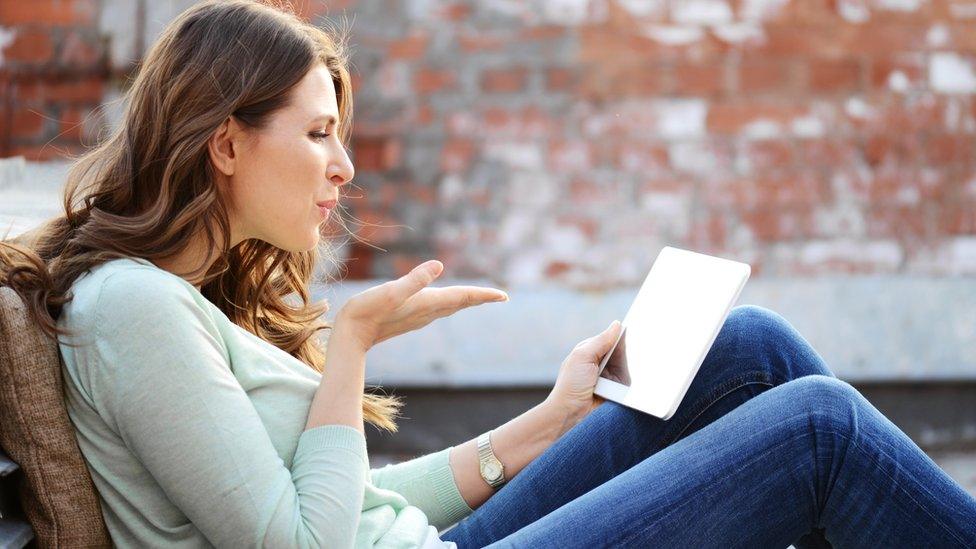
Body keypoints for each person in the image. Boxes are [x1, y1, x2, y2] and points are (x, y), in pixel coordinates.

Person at [0, 1, 973, 547]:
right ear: (224, 144)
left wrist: (553, 417)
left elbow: (364, 511)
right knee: (819, 431)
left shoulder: (176, 299)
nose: (342, 166)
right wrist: (350, 348)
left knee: (744, 347)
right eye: (317, 134)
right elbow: (298, 546)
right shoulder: (130, 308)